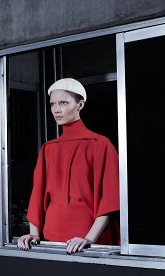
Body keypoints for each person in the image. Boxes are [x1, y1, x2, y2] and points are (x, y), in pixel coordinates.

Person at [17, 78, 119, 254]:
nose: (56, 109)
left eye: (63, 103)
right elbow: (37, 195)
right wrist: (33, 234)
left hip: (86, 238)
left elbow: (110, 198)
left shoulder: (100, 144)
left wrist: (89, 239)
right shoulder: (48, 149)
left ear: (80, 105)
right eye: (53, 104)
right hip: (49, 239)